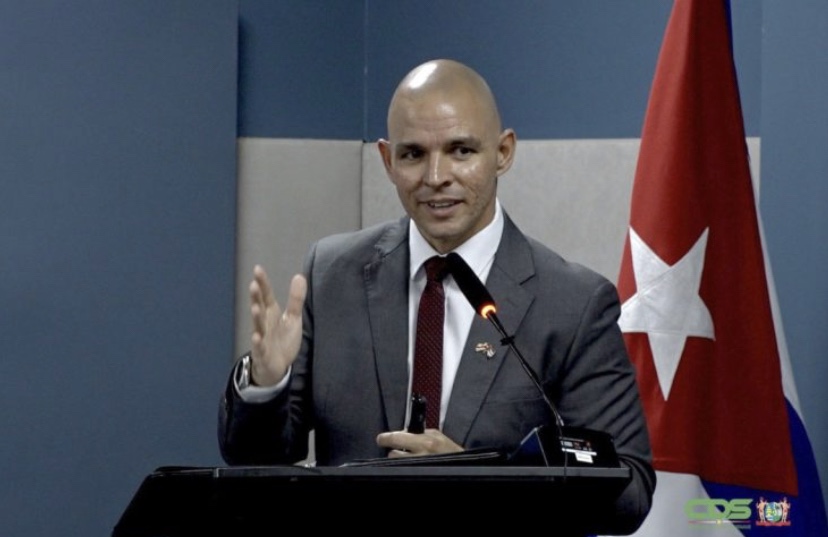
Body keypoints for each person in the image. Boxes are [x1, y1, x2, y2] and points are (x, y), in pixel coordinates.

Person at [219, 58, 655, 532]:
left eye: (460, 150)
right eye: (412, 154)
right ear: (387, 160)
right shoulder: (332, 275)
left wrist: (478, 483)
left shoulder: (573, 304)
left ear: (503, 152)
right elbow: (256, 459)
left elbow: (629, 492)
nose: (435, 176)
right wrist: (266, 383)